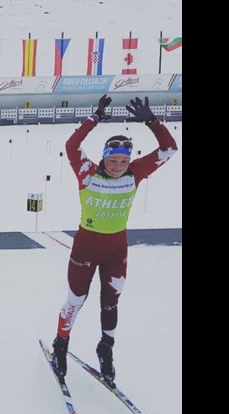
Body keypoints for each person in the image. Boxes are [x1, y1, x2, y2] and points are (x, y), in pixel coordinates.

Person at [49, 95, 178, 386]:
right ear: (104, 157)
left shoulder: (136, 173)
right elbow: (71, 147)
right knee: (75, 300)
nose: (118, 165)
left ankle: (106, 350)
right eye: (113, 159)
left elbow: (170, 149)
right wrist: (94, 118)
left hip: (115, 251)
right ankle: (61, 344)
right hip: (85, 248)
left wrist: (152, 121)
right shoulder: (87, 173)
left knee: (110, 303)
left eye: (123, 160)